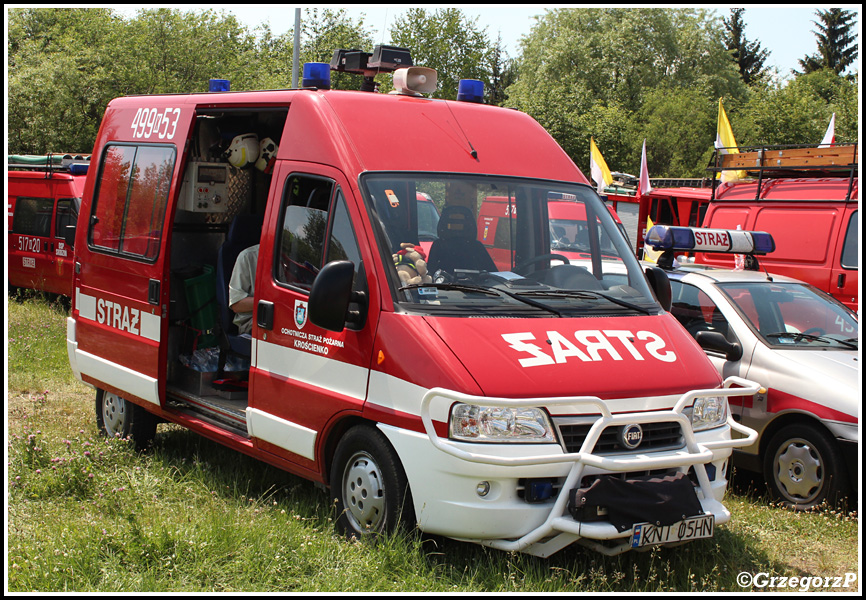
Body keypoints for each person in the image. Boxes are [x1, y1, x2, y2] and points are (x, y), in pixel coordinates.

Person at [228, 244, 259, 336]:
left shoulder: (293, 257)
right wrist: (275, 302)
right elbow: (237, 304)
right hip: (254, 321)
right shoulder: (248, 256)